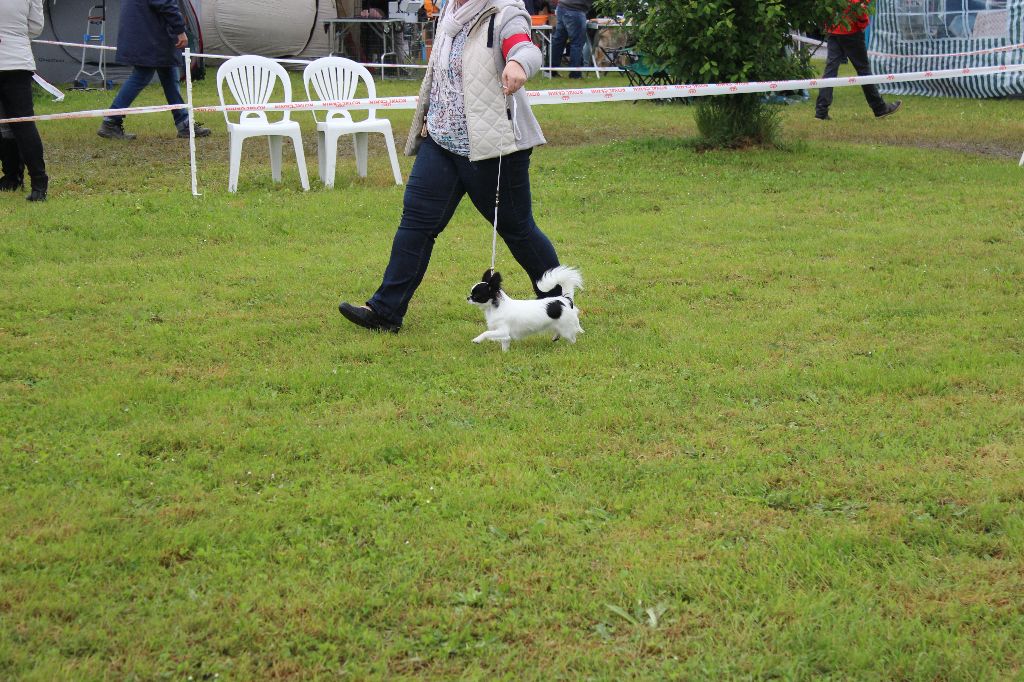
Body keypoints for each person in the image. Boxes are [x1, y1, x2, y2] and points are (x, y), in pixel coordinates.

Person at [338, 0, 563, 333]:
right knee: (416, 223)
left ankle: (560, 306)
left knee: (518, 230)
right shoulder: (448, 11)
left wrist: (518, 63)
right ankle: (385, 311)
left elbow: (524, 47)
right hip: (441, 141)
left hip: (491, 149)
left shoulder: (504, 12)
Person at [97, 0, 210, 140]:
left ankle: (184, 124)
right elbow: (166, 3)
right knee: (142, 75)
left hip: (146, 31)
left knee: (169, 75)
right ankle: (111, 121)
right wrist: (180, 29)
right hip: (150, 34)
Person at [815, 0, 901, 120]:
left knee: (830, 70)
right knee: (863, 71)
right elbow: (857, 5)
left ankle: (821, 111)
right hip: (851, 30)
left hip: (833, 28)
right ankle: (880, 109)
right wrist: (863, 22)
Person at [0, 0, 48, 201]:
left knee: (6, 125)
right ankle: (38, 183)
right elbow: (36, 28)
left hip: (15, 59)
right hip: (18, 61)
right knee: (24, 124)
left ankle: (12, 176)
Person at [548, 0, 591, 78]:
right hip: (575, 9)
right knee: (576, 43)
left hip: (562, 7)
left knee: (558, 41)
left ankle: (550, 71)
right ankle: (575, 74)